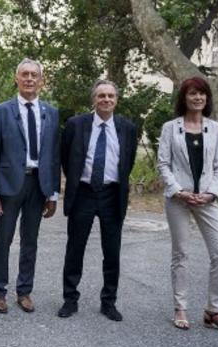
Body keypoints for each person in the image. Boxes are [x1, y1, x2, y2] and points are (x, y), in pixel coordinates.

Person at [156, 77, 218, 333]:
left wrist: (211, 193)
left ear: (207, 98)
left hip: (206, 200)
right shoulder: (171, 128)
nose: (198, 98)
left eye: (202, 94)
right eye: (192, 93)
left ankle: (214, 310)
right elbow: (163, 164)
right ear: (184, 97)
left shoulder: (215, 128)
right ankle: (180, 307)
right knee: (181, 254)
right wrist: (178, 191)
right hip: (179, 200)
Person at [58, 80, 138, 321]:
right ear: (93, 99)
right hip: (83, 193)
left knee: (112, 251)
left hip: (112, 195)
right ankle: (70, 300)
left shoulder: (127, 127)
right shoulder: (76, 124)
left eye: (110, 96)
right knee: (75, 248)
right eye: (101, 95)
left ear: (116, 100)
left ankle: (109, 302)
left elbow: (128, 160)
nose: (106, 100)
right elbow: (65, 157)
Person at [0, 58, 60, 314]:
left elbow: (53, 155)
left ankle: (24, 291)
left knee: (30, 240)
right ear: (16, 79)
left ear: (41, 81)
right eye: (24, 74)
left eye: (34, 75)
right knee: (3, 239)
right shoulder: (2, 111)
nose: (29, 79)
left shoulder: (51, 113)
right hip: (8, 186)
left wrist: (53, 194)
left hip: (39, 186)